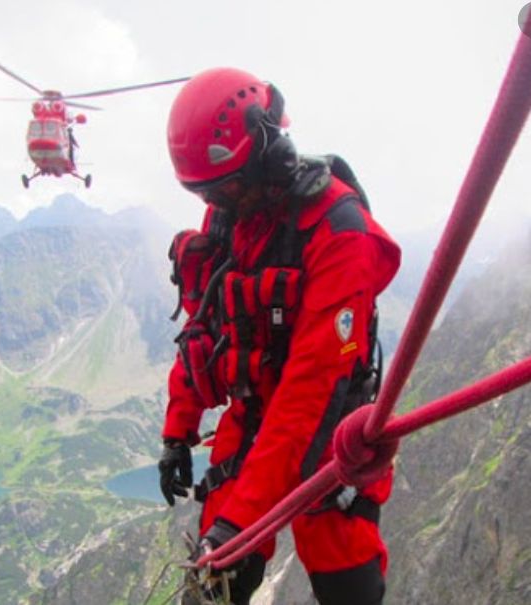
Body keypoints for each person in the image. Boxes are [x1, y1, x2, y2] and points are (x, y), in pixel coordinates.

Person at [158, 67, 401, 605]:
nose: (220, 202)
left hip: (328, 434)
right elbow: (204, 324)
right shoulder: (232, 214)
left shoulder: (339, 232)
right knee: (211, 588)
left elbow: (313, 390)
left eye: (228, 186)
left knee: (349, 588)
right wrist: (178, 430)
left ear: (271, 152)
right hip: (253, 420)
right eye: (208, 192)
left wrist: (240, 523)